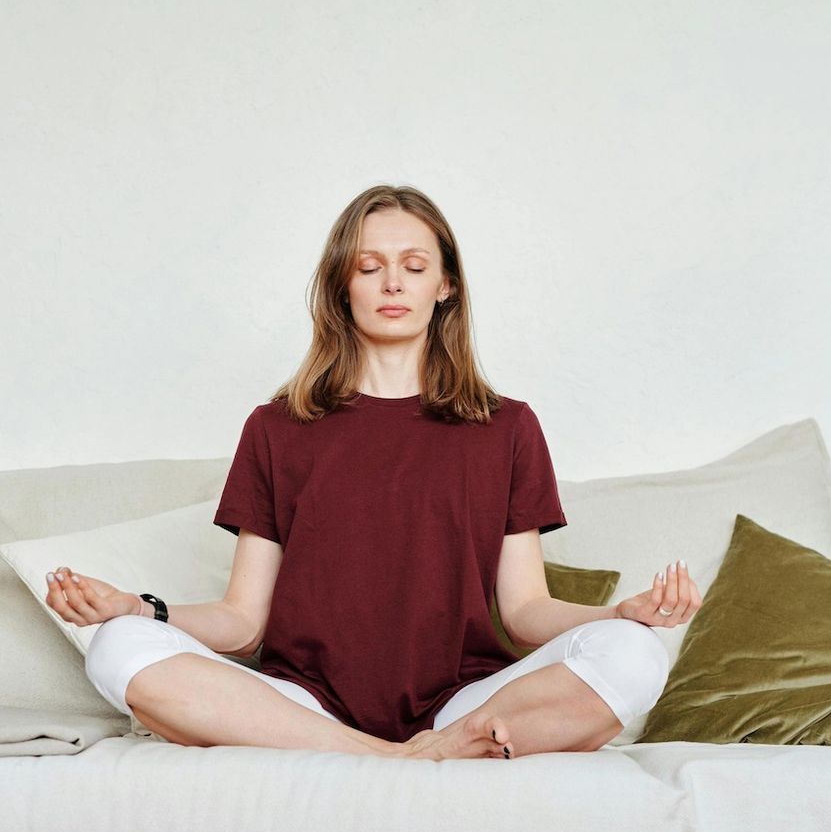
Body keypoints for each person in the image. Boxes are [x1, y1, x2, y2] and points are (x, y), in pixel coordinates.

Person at [46, 184, 703, 761]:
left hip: (461, 700)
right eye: (370, 267)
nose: (393, 284)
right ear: (343, 285)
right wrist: (137, 608)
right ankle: (397, 757)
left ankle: (430, 743)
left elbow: (526, 612)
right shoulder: (276, 428)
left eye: (414, 267)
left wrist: (623, 614)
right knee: (117, 646)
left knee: (635, 654)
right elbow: (243, 623)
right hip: (305, 705)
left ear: (444, 287)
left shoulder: (506, 428)